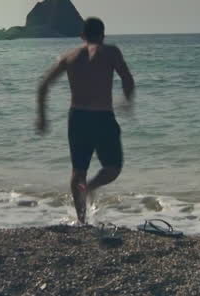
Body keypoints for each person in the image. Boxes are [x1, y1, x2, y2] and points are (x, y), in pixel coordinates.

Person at [36, 17, 135, 224]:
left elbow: (43, 85)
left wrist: (42, 117)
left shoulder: (69, 56)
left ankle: (82, 221)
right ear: (103, 35)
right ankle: (90, 187)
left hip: (77, 118)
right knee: (113, 167)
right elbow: (127, 78)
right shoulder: (111, 52)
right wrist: (127, 100)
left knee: (78, 170)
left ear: (82, 36)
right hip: (102, 116)